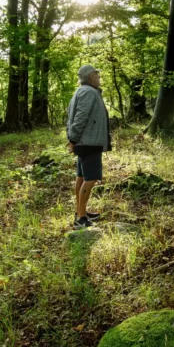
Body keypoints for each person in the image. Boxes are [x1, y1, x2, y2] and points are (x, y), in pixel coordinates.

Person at [66, 64, 111, 229]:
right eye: (97, 75)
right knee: (90, 179)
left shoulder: (79, 92)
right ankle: (81, 219)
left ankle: (80, 212)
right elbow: (79, 117)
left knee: (81, 177)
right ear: (91, 77)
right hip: (89, 142)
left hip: (84, 141)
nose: (99, 78)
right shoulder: (88, 92)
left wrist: (72, 138)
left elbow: (69, 119)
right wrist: (72, 138)